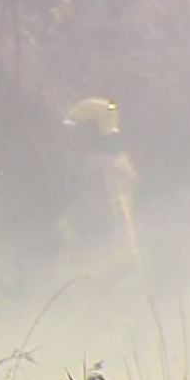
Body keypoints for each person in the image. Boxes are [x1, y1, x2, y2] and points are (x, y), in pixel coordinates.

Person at [60, 96, 141, 271]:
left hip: (106, 265)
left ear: (93, 130)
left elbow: (109, 218)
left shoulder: (101, 168)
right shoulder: (119, 162)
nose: (72, 136)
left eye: (76, 129)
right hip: (117, 261)